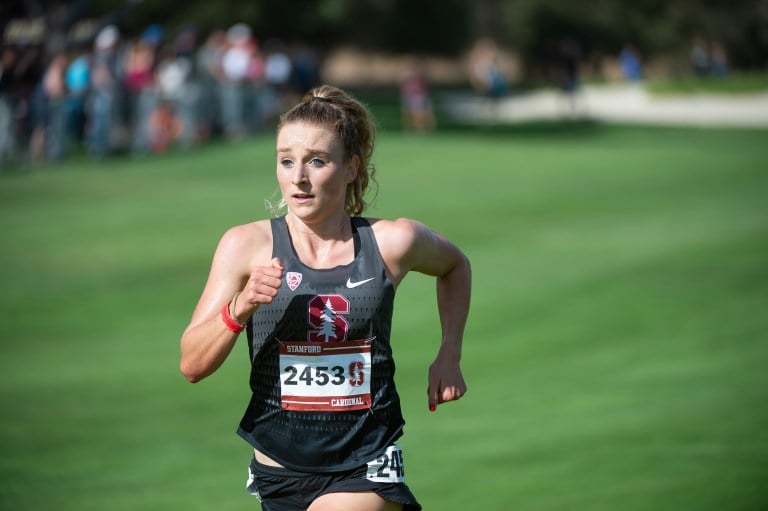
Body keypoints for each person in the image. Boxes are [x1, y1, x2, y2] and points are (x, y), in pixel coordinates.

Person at [180, 84, 471, 511]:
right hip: (278, 469)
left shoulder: (392, 241)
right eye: (286, 161)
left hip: (367, 460)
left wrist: (449, 353)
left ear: (351, 168)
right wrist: (240, 307)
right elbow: (191, 364)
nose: (298, 177)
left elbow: (454, 265)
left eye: (316, 161)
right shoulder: (246, 246)